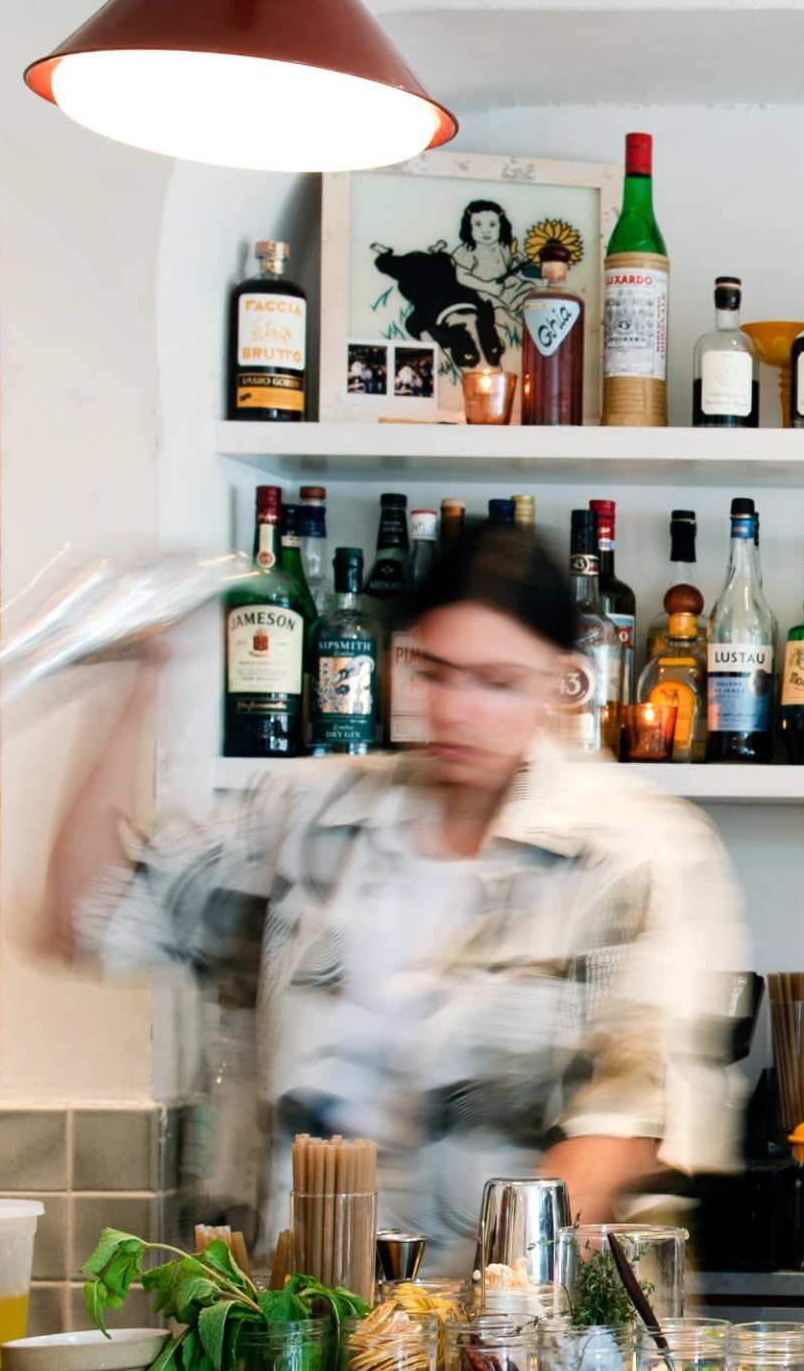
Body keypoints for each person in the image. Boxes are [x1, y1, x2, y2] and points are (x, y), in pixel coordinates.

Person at [47, 517, 749, 1270]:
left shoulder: (631, 850)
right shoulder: (309, 817)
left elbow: (613, 1138)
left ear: (560, 679)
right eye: (437, 671)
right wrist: (138, 674)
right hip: (305, 1341)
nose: (457, 710)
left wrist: (437, 1340)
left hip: (527, 1354)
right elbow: (86, 913)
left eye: (498, 682)